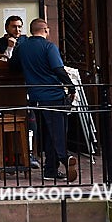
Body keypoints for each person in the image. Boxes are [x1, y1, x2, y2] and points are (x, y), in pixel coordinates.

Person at [10, 18, 77, 181]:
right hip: (53, 95)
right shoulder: (49, 47)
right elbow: (58, 69)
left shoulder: (22, 47)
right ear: (46, 30)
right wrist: (71, 87)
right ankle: (64, 157)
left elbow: (12, 66)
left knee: (48, 133)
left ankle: (50, 170)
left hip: (34, 97)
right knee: (58, 131)